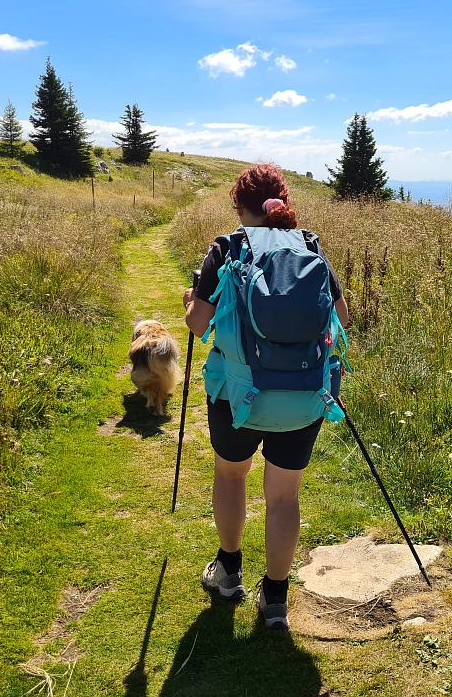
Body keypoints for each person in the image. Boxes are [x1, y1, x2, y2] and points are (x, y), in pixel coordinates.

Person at [183, 164, 349, 630]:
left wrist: (189, 301)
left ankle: (228, 573)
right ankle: (275, 598)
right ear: (283, 203)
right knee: (283, 498)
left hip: (237, 394)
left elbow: (198, 325)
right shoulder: (310, 247)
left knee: (230, 475)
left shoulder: (227, 248)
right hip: (303, 396)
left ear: (240, 207)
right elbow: (341, 319)